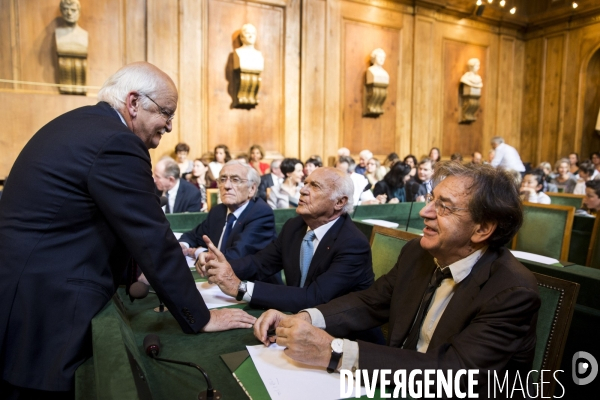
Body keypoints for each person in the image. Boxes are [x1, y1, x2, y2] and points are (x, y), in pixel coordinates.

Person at [0, 62, 255, 397]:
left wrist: (134, 275)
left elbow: (99, 221)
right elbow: (152, 237)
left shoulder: (82, 124)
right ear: (134, 103)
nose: (169, 125)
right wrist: (200, 315)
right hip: (45, 308)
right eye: (166, 112)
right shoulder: (117, 141)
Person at [254, 162, 540, 397]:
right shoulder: (418, 252)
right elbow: (370, 302)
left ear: (482, 229)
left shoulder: (512, 291)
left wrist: (335, 351)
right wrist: (307, 318)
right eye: (431, 200)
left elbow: (453, 374)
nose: (424, 213)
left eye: (444, 207)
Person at [200, 167, 374, 313]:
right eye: (305, 183)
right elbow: (261, 263)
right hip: (296, 318)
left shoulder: (353, 244)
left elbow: (314, 298)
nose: (303, 190)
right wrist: (223, 267)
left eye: (315, 186)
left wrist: (240, 288)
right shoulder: (295, 226)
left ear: (339, 202)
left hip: (344, 336)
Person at [179, 160, 276, 269]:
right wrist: (183, 245)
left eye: (235, 180)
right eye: (223, 179)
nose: (227, 186)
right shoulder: (218, 211)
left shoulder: (261, 213)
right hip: (218, 279)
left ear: (252, 189)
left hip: (250, 282)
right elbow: (194, 236)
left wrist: (197, 252)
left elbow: (236, 255)